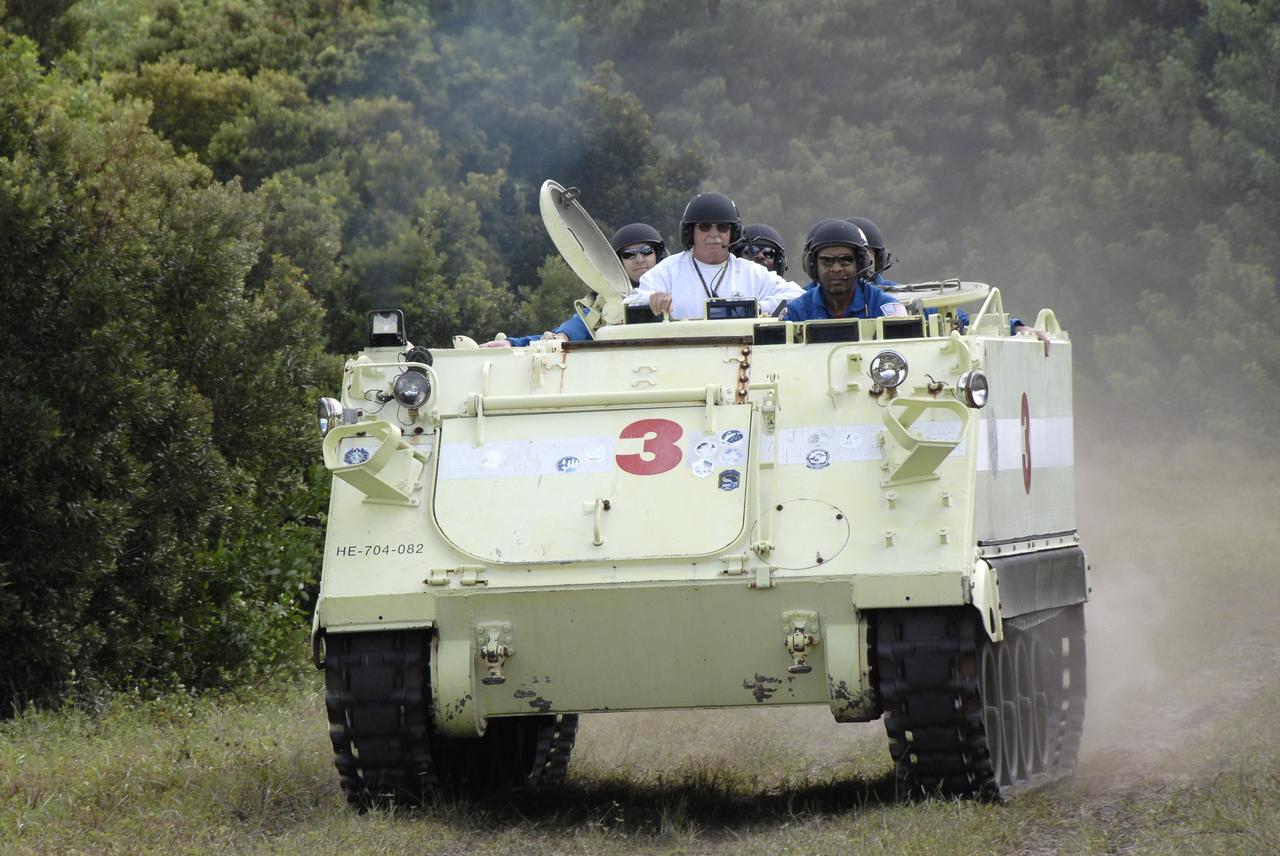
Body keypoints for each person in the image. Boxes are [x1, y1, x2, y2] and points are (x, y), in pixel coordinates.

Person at [482, 223, 666, 347]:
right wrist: (513, 344)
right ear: (618, 262)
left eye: (646, 251)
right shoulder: (608, 302)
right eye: (629, 254)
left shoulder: (678, 284)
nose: (640, 259)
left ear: (657, 254)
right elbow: (576, 328)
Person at [624, 192, 803, 319]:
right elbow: (629, 302)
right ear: (689, 232)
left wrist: (756, 307)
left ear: (733, 233)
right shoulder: (668, 270)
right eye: (704, 227)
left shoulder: (751, 272)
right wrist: (651, 300)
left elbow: (797, 295)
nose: (714, 234)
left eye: (722, 227)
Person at [782, 219, 907, 321]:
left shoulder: (884, 307)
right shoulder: (796, 313)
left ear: (860, 264)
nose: (836, 268)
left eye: (845, 260)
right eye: (827, 261)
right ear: (813, 267)